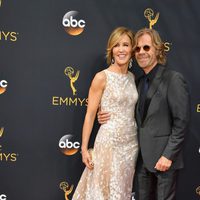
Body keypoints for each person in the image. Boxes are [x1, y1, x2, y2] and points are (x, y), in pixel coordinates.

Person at [98, 28, 190, 200]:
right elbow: (126, 111)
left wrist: (168, 156)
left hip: (164, 161)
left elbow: (181, 122)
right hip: (141, 160)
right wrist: (101, 114)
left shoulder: (173, 79)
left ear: (157, 49)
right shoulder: (138, 82)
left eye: (146, 48)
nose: (141, 52)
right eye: (137, 49)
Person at [72, 27, 139, 200]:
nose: (121, 49)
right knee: (103, 191)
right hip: (109, 142)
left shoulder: (132, 78)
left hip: (131, 144)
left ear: (132, 49)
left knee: (122, 192)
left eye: (125, 45)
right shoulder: (102, 77)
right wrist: (84, 149)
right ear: (111, 49)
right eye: (117, 45)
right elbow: (90, 115)